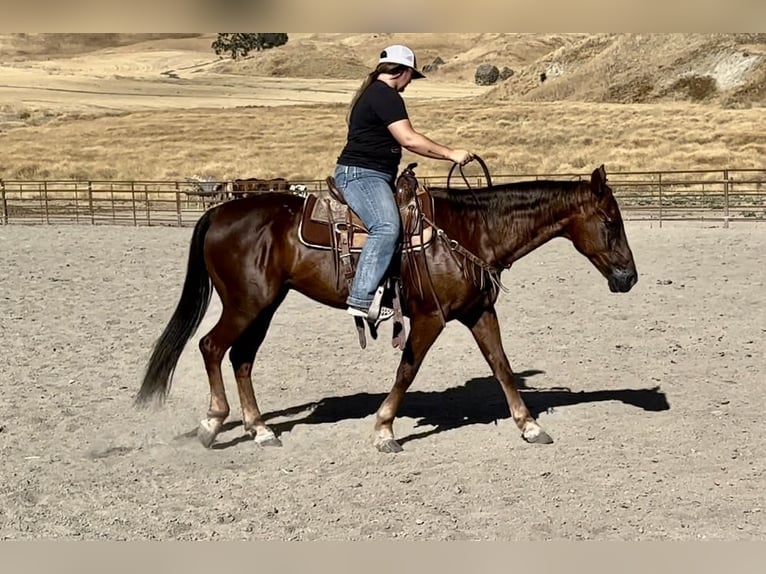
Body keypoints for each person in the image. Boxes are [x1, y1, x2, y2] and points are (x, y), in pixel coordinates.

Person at [333, 44, 474, 322]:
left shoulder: (374, 92)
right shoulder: (385, 96)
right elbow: (408, 139)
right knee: (386, 227)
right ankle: (361, 298)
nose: (410, 83)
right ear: (405, 71)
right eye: (412, 76)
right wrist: (450, 154)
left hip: (375, 173)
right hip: (362, 174)